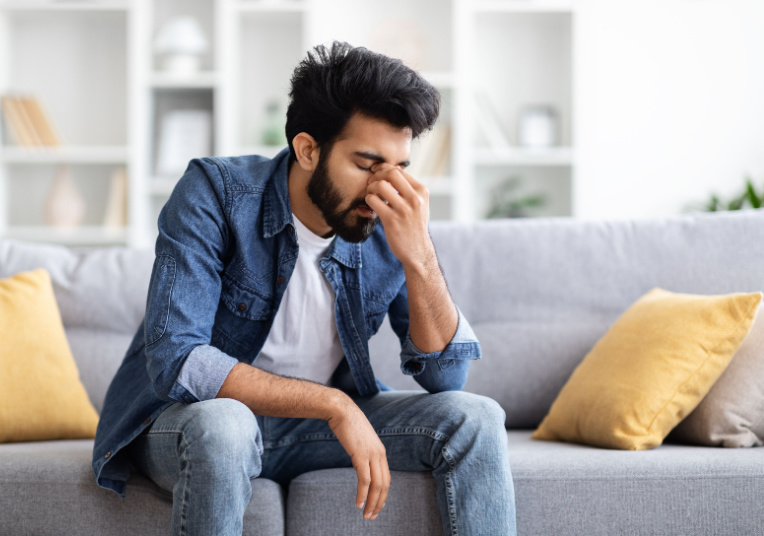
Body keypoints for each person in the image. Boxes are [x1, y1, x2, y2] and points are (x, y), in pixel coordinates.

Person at [92, 41, 516, 536]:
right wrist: (333, 404)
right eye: (366, 164)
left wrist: (418, 256)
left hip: (305, 432)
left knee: (477, 417)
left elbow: (447, 378)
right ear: (308, 149)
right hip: (189, 423)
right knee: (226, 426)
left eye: (399, 168)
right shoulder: (215, 193)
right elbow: (177, 359)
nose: (385, 189)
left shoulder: (387, 223)